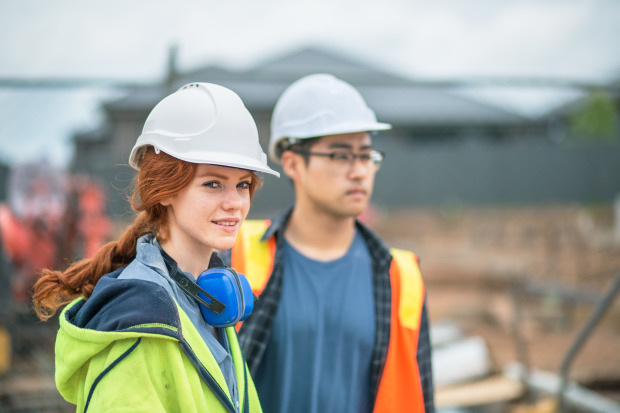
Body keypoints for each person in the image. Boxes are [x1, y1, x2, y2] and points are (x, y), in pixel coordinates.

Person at [32, 82, 279, 413]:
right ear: (165, 189)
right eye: (212, 184)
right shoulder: (138, 326)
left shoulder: (206, 297)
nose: (234, 203)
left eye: (243, 185)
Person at [224, 74, 435, 412]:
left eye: (366, 156)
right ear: (293, 163)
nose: (359, 171)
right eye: (340, 156)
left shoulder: (402, 277)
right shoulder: (235, 254)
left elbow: (421, 395)